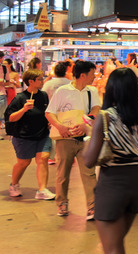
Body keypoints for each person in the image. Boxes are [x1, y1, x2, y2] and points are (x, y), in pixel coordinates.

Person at [84, 68, 138, 254]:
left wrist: (89, 134)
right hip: (136, 184)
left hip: (112, 186)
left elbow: (88, 160)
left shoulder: (106, 117)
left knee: (113, 249)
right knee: (117, 245)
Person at [45, 60, 101, 219]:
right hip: (65, 138)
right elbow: (49, 113)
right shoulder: (63, 91)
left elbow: (96, 108)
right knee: (63, 173)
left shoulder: (92, 91)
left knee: (89, 173)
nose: (94, 77)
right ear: (83, 75)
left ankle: (92, 207)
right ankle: (61, 203)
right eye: (92, 74)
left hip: (85, 138)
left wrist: (88, 118)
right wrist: (60, 127)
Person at [5, 69, 55, 200]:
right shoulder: (20, 98)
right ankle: (14, 184)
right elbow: (10, 117)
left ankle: (42, 190)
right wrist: (24, 109)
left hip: (42, 134)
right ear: (31, 81)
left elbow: (46, 112)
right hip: (24, 136)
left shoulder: (43, 95)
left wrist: (49, 122)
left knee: (43, 158)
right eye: (40, 79)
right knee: (24, 162)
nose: (43, 81)